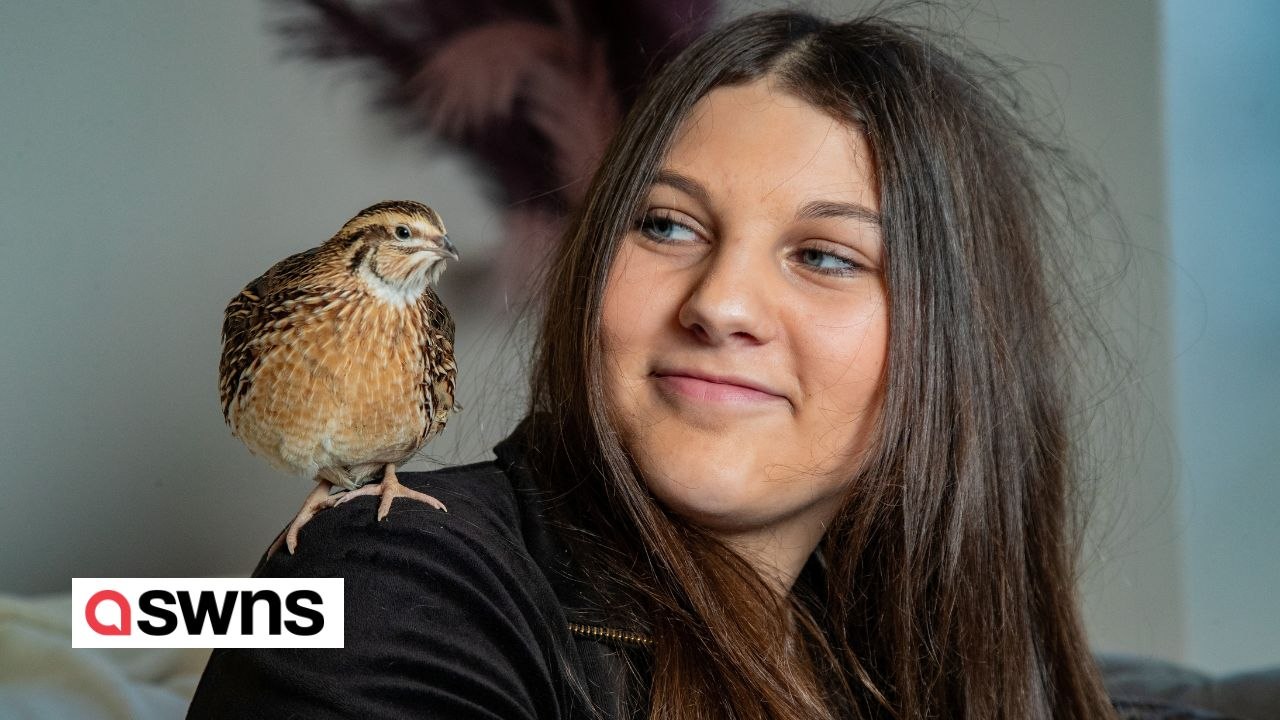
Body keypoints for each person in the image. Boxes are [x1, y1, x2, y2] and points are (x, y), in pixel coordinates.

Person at [188, 10, 1213, 720]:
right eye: (668, 226)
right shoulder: (388, 579)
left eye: (822, 255)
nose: (717, 305)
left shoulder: (930, 666)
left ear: (953, 346)